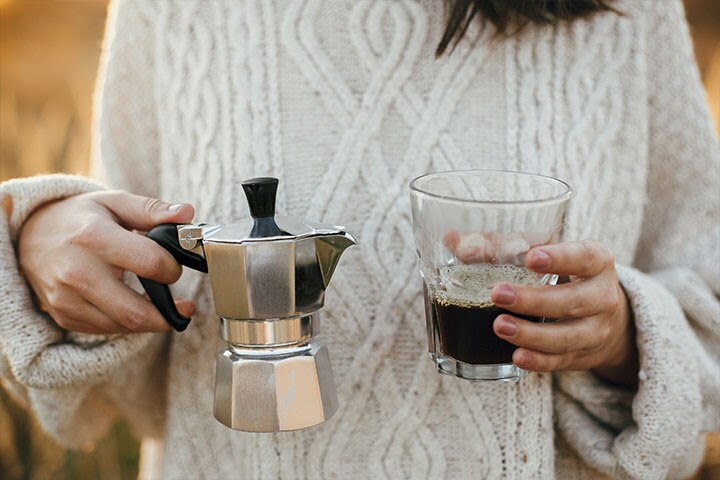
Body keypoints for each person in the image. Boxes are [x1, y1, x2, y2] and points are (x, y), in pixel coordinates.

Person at [1, 0, 718, 478]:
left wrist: (626, 332)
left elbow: (708, 302)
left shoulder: (627, 15)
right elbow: (112, 352)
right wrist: (43, 240)